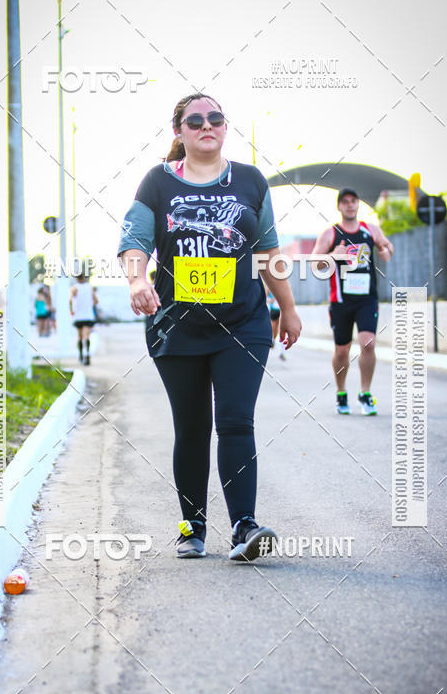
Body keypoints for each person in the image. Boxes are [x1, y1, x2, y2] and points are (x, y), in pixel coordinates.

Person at [118, 93, 302, 561]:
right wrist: (137, 280)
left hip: (243, 323)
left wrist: (288, 308)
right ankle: (192, 527)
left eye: (215, 118)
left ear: (224, 127)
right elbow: (134, 240)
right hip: (177, 327)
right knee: (193, 428)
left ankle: (244, 527)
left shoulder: (251, 180)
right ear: (179, 131)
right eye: (195, 119)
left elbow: (269, 253)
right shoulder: (157, 182)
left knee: (236, 421)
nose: (206, 125)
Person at [312, 188, 393, 415]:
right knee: (342, 351)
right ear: (339, 206)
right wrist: (333, 255)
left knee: (368, 344)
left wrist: (385, 250)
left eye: (353, 201)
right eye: (345, 202)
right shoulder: (330, 234)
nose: (350, 205)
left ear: (358, 204)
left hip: (367, 299)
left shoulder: (370, 229)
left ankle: (365, 393)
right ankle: (341, 392)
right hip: (341, 301)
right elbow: (315, 263)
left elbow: (388, 248)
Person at [70, 273, 98, 365]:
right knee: (86, 336)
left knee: (80, 336)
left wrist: (72, 310)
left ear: (76, 279)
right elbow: (96, 300)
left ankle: (81, 355)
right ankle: (87, 354)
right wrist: (89, 305)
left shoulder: (74, 288)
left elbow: (70, 300)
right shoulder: (90, 288)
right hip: (88, 316)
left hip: (78, 316)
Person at [266, 286, 286, 360]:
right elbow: (264, 299)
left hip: (281, 310)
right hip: (273, 310)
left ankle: (282, 353)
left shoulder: (283, 284)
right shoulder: (269, 286)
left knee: (282, 330)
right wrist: (270, 300)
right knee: (274, 330)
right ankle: (273, 340)